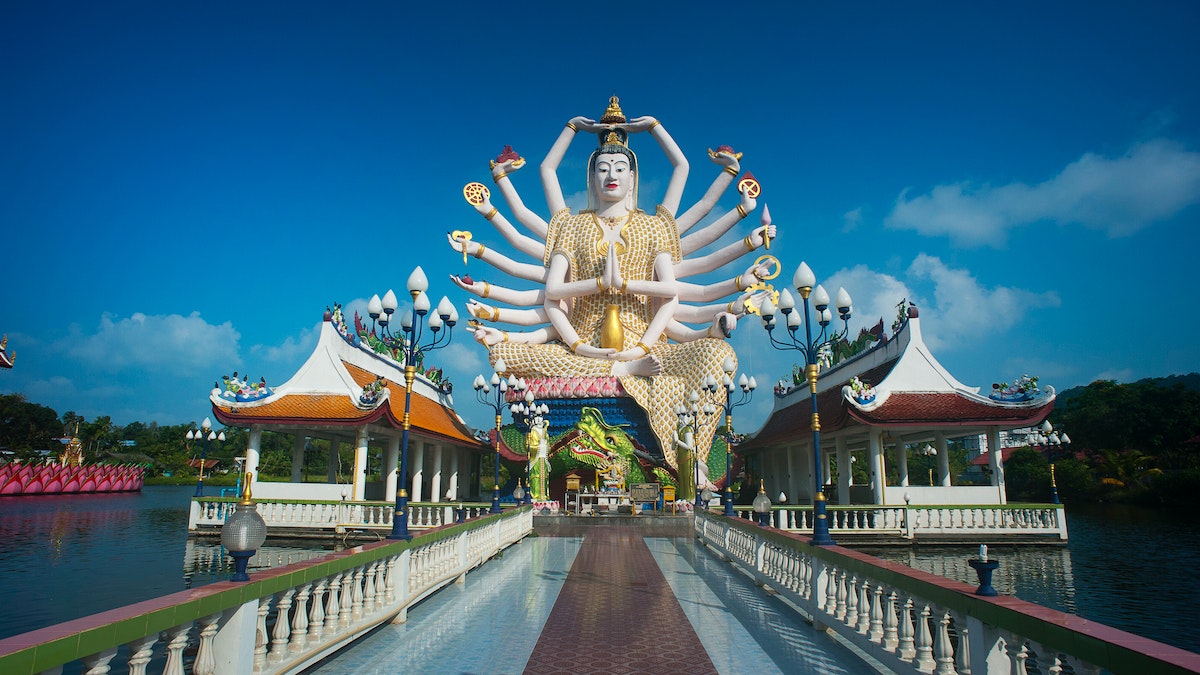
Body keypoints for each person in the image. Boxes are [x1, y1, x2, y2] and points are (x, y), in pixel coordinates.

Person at [452, 97, 774, 471]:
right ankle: (621, 374)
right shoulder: (571, 226)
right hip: (581, 348)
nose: (611, 175)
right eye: (602, 168)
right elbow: (553, 293)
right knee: (509, 354)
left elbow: (670, 294)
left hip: (649, 344)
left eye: (620, 167)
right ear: (591, 177)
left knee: (719, 356)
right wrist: (572, 128)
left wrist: (652, 126)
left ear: (634, 177)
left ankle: (691, 459)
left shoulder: (652, 226)